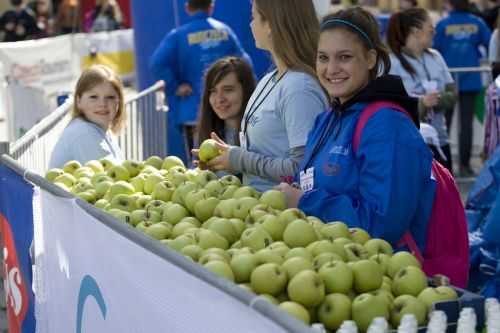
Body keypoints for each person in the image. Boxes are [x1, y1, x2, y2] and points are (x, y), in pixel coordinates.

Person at [277, 7, 436, 249]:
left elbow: (382, 227)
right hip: (324, 266)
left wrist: (305, 202)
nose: (331, 69)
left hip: (380, 276)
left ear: (370, 59)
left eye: (344, 57)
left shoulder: (388, 125)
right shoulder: (326, 119)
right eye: (323, 57)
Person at [199, 0, 329, 192]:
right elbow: (263, 153)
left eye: (254, 17)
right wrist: (227, 156)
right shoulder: (270, 79)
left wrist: (238, 158)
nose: (250, 24)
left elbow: (303, 170)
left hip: (284, 216)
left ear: (270, 24)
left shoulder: (300, 88)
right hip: (259, 211)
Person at [150, 0, 251, 163]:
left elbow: (156, 63)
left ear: (188, 8)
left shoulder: (179, 34)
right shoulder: (225, 30)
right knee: (232, 158)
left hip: (193, 111)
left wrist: (175, 85)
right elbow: (245, 63)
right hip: (229, 109)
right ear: (211, 7)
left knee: (198, 161)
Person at [387, 8, 457, 173]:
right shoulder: (392, 63)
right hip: (409, 143)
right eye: (430, 27)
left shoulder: (436, 57)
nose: (434, 31)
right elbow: (389, 106)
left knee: (445, 195)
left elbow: (452, 92)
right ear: (415, 31)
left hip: (440, 141)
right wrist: (420, 104)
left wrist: (437, 100)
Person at [434, 0, 491, 176]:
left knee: (444, 125)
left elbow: (435, 48)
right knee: (466, 124)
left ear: (450, 4)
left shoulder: (443, 24)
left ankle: (443, 167)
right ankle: (465, 166)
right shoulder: (477, 22)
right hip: (471, 78)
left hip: (447, 80)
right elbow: (489, 43)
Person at [49, 65, 125, 168]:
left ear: (119, 101)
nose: (102, 104)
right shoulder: (84, 133)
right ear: (78, 100)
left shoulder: (102, 129)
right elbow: (112, 180)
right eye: (93, 97)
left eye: (110, 97)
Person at [196, 56, 256, 148]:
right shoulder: (205, 135)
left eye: (228, 90)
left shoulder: (261, 136)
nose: (219, 99)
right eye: (213, 91)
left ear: (246, 91)